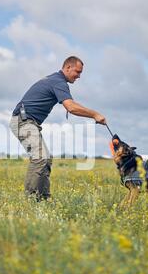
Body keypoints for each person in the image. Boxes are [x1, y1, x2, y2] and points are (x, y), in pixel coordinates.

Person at [10, 56, 106, 201]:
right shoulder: (58, 82)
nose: (79, 76)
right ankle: (30, 200)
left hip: (27, 121)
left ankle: (44, 199)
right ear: (68, 67)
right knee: (40, 158)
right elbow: (71, 107)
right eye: (77, 72)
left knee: (46, 159)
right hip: (23, 121)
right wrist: (95, 114)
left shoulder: (55, 80)